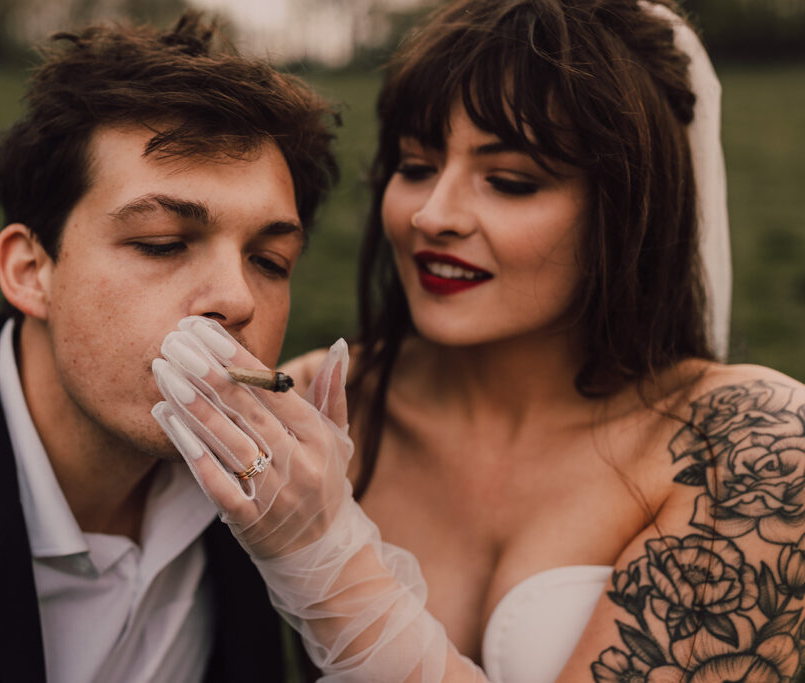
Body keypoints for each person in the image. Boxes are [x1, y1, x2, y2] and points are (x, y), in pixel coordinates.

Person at [152, 0, 805, 681]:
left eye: (510, 182)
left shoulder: (753, 450)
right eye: (415, 166)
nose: (434, 215)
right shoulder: (316, 412)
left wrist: (324, 560)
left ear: (626, 209)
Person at [0, 13, 338, 683]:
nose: (238, 297)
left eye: (270, 260)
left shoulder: (276, 497)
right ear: (29, 269)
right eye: (162, 242)